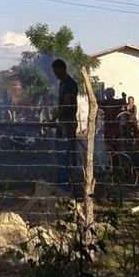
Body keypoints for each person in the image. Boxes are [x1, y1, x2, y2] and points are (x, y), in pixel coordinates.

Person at [50, 58, 79, 191]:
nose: (55, 75)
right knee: (61, 150)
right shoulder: (62, 83)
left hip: (68, 122)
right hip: (62, 122)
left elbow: (67, 105)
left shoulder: (70, 84)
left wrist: (53, 118)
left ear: (62, 69)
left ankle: (69, 180)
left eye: (56, 71)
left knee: (68, 151)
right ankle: (62, 178)